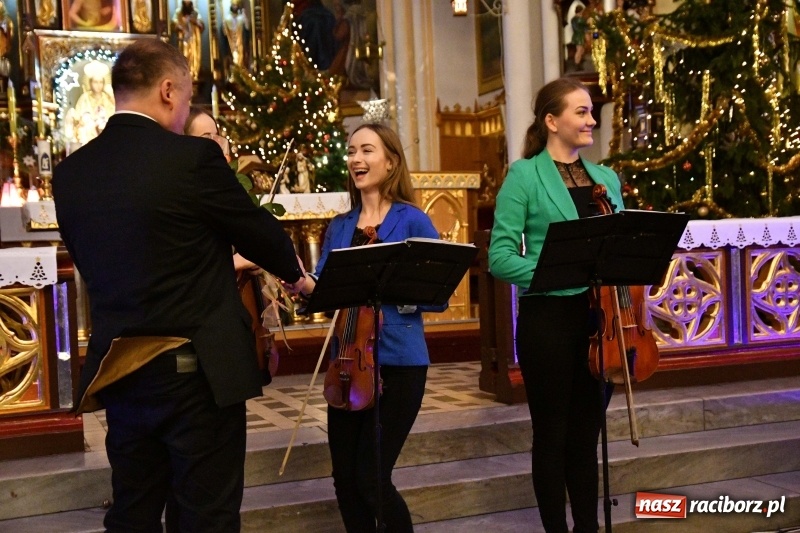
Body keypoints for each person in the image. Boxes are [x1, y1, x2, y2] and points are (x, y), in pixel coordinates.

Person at [52, 39, 306, 532]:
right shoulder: (191, 159)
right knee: (204, 517)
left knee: (134, 511)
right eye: (188, 97)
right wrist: (300, 278)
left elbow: (86, 261)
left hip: (121, 370)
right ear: (168, 90)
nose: (186, 107)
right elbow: (258, 232)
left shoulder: (71, 175)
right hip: (196, 376)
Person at [488, 77, 624, 533]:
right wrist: (553, 273)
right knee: (553, 435)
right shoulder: (524, 175)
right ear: (552, 121)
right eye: (581, 112)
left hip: (598, 322)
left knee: (587, 437)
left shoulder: (606, 179)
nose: (591, 119)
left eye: (591, 112)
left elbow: (620, 248)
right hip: (548, 321)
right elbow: (501, 257)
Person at [298, 123, 445, 532]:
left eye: (367, 150)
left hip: (399, 362)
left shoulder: (413, 221)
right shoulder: (341, 226)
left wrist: (394, 292)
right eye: (351, 152)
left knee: (371, 476)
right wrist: (299, 281)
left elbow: (438, 294)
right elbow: (324, 290)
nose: (356, 160)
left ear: (391, 161)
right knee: (344, 481)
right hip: (346, 362)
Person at [64, 60, 116, 147]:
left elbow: (112, 115)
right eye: (95, 82)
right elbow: (78, 117)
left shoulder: (107, 98)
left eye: (100, 82)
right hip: (87, 137)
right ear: (90, 83)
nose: (98, 85)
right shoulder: (84, 98)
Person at [172, 0, 205, 81]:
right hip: (184, 38)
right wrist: (181, 27)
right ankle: (185, 74)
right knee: (185, 54)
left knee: (194, 55)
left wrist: (194, 21)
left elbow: (201, 24)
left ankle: (194, 73)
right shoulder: (178, 12)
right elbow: (174, 23)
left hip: (194, 39)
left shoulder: (196, 13)